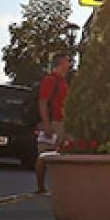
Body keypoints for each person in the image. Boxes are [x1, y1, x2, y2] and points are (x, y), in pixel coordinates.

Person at [34, 53, 73, 194]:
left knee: (60, 152)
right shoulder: (50, 80)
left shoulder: (63, 81)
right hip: (52, 122)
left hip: (61, 122)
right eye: (67, 61)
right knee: (44, 154)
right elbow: (43, 101)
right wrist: (46, 123)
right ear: (60, 63)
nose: (69, 65)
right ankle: (40, 187)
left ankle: (58, 186)